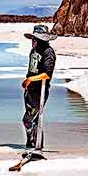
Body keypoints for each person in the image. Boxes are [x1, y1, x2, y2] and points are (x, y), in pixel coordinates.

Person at [18, 24, 57, 163]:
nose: (32, 41)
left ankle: (36, 145)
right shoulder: (33, 50)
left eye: (34, 38)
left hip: (39, 92)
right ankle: (32, 144)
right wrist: (28, 82)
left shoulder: (48, 53)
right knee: (31, 120)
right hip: (30, 90)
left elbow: (47, 75)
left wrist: (30, 79)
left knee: (29, 119)